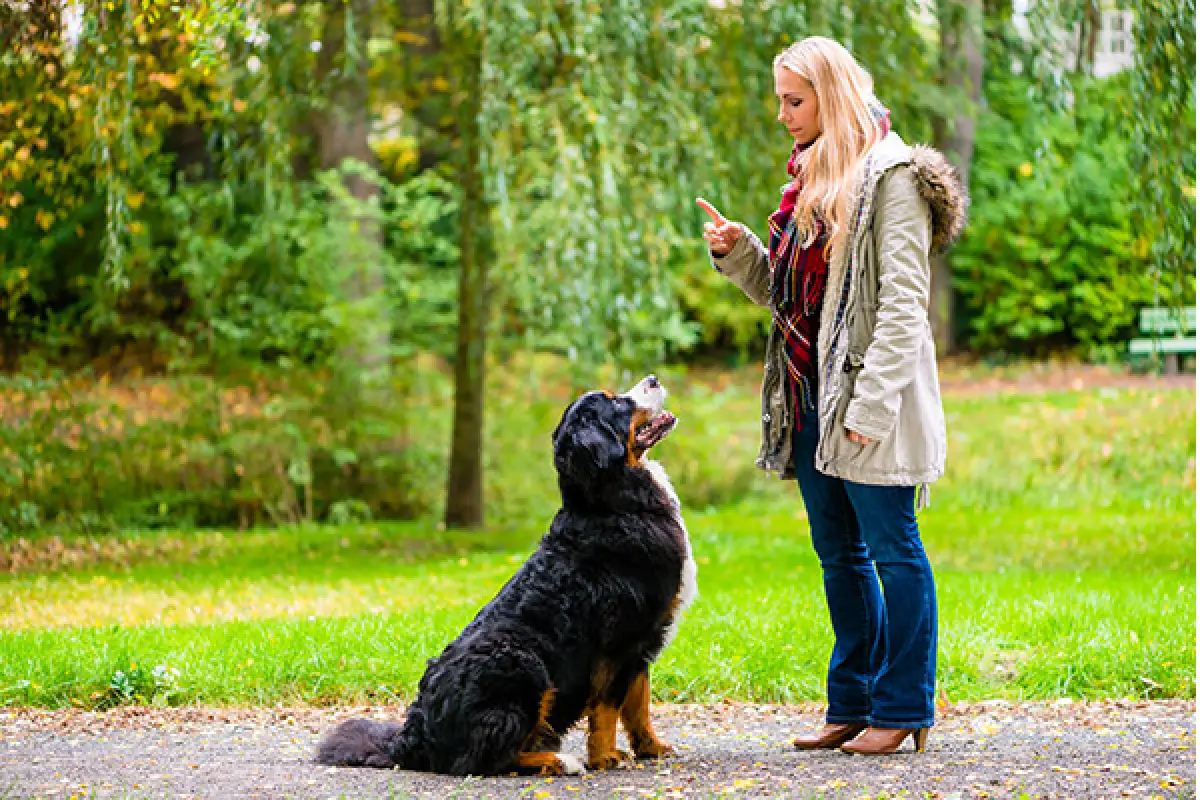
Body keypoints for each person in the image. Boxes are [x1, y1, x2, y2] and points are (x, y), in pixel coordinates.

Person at [697, 37, 966, 756]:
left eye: (795, 100)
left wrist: (869, 410)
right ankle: (852, 702)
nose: (783, 114)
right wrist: (740, 252)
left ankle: (905, 705)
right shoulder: (810, 179)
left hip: (868, 401)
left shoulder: (893, 177)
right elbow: (791, 300)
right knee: (839, 554)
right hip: (808, 393)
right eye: (780, 99)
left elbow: (906, 306)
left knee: (892, 547)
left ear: (832, 95)